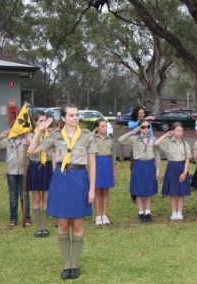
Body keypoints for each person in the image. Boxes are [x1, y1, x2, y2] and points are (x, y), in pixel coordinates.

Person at [28, 103, 97, 280]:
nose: (75, 118)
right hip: (61, 179)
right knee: (63, 224)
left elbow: (92, 164)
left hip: (79, 178)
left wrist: (91, 189)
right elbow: (32, 150)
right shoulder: (55, 136)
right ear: (64, 118)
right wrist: (39, 130)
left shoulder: (87, 136)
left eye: (77, 115)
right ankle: (67, 265)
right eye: (72, 115)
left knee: (78, 224)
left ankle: (75, 264)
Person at [118, 119, 160, 223]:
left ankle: (148, 213)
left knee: (149, 192)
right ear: (139, 128)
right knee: (139, 191)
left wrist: (158, 170)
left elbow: (157, 155)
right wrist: (131, 132)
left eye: (148, 127)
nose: (146, 129)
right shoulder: (134, 139)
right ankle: (141, 213)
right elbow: (120, 140)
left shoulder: (153, 139)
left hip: (150, 165)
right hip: (139, 165)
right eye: (143, 127)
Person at [0, 126, 31, 227]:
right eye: (15, 128)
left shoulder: (26, 139)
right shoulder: (8, 141)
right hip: (11, 172)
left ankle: (27, 218)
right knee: (13, 196)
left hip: (24, 171)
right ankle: (13, 218)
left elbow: (35, 146)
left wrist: (29, 141)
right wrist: (1, 136)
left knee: (24, 196)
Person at [155, 122, 191, 221]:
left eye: (181, 131)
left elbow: (187, 159)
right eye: (177, 131)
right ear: (173, 131)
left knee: (181, 193)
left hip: (182, 168)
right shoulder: (168, 142)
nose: (180, 133)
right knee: (172, 192)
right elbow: (156, 143)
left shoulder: (185, 143)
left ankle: (179, 212)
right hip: (171, 168)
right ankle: (173, 212)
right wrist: (167, 135)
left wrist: (184, 172)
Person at [26, 111, 54, 238]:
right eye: (40, 121)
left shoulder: (51, 135)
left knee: (46, 199)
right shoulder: (31, 135)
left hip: (47, 167)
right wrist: (40, 132)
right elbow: (32, 148)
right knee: (36, 198)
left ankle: (45, 226)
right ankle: (38, 227)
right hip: (35, 167)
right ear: (35, 122)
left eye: (45, 120)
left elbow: (53, 153)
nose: (43, 123)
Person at [93, 118, 116, 226]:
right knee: (97, 191)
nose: (105, 128)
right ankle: (98, 215)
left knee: (106, 191)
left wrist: (113, 171)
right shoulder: (93, 139)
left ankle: (104, 214)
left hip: (107, 164)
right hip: (97, 164)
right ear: (97, 128)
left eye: (106, 126)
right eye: (102, 126)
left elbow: (113, 158)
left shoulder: (110, 140)